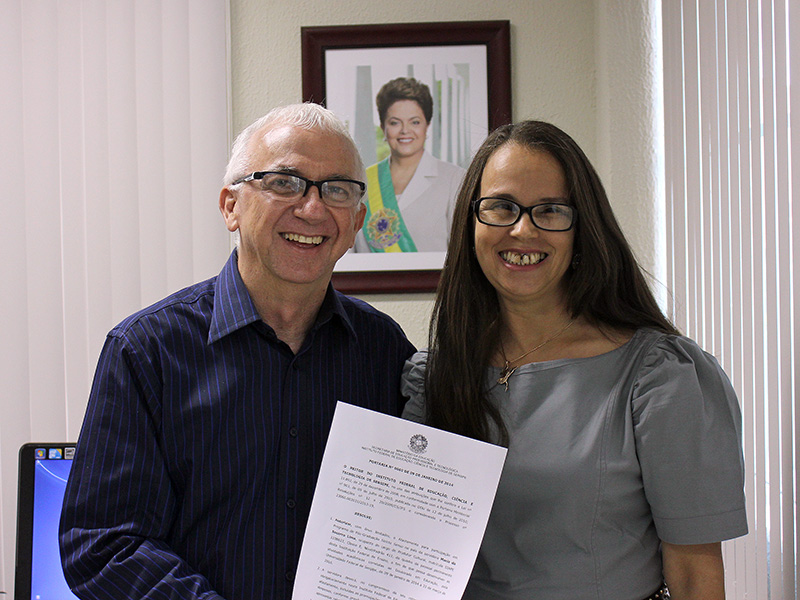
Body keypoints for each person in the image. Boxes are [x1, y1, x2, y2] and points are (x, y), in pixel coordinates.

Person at [59, 103, 416, 600]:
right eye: (284, 182)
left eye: (336, 189)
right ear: (231, 206)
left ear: (356, 220)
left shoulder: (383, 350)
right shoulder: (146, 351)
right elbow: (104, 544)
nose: (312, 209)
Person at [401, 120, 747, 600]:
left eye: (550, 210)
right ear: (470, 222)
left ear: (582, 228)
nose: (523, 229)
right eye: (501, 207)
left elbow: (694, 576)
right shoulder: (434, 377)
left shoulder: (659, 376)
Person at [354, 76, 465, 253]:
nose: (405, 130)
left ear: (427, 125)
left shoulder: (454, 179)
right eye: (395, 123)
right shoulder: (363, 180)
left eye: (415, 122)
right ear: (383, 127)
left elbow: (462, 251)